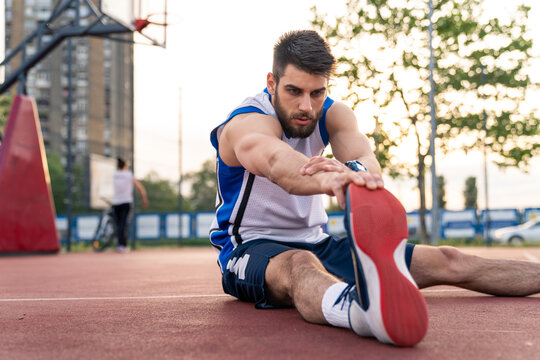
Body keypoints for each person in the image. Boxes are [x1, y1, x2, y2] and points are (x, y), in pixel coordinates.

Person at [209, 30, 540, 347]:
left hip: (318, 243)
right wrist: (326, 179)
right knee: (300, 265)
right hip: (248, 248)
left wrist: (352, 171)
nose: (306, 106)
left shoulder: (332, 114)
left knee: (449, 259)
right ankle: (363, 313)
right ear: (272, 82)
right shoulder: (246, 123)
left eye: (317, 92)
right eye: (294, 91)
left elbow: (365, 159)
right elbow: (276, 162)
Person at [112, 157, 148, 253]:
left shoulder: (114, 175)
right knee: (124, 224)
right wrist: (144, 198)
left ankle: (119, 244)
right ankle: (122, 245)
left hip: (116, 202)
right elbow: (139, 187)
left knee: (118, 224)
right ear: (125, 166)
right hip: (126, 202)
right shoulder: (128, 175)